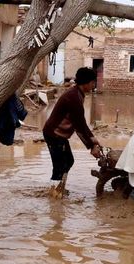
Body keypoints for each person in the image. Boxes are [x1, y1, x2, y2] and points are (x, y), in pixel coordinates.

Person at [42, 67, 101, 196]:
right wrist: (91, 146)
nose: (93, 85)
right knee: (60, 165)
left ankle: (59, 190)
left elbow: (81, 122)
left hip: (58, 135)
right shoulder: (74, 98)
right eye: (92, 82)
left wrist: (92, 138)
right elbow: (79, 125)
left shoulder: (77, 94)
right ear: (86, 82)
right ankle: (54, 195)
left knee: (68, 161)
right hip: (54, 134)